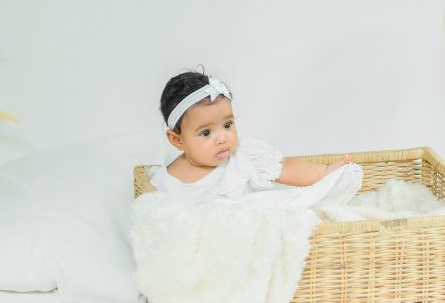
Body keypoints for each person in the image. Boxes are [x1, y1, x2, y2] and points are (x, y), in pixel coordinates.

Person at [149, 69, 351, 204]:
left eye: (227, 125)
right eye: (206, 133)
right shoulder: (168, 183)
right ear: (177, 140)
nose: (222, 138)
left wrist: (324, 172)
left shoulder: (244, 156)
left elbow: (286, 167)